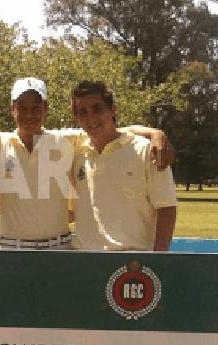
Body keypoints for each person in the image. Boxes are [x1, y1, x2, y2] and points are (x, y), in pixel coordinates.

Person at [0, 77, 176, 250]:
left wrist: (155, 133)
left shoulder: (67, 141)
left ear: (46, 109)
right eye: (22, 107)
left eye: (36, 107)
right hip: (65, 255)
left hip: (107, 257)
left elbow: (113, 130)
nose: (29, 114)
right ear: (12, 109)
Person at [69, 80, 178, 251]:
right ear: (77, 119)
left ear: (112, 109)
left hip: (131, 266)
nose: (91, 118)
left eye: (97, 109)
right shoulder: (76, 152)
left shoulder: (147, 150)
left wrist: (159, 260)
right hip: (84, 261)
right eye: (83, 112)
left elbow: (167, 209)